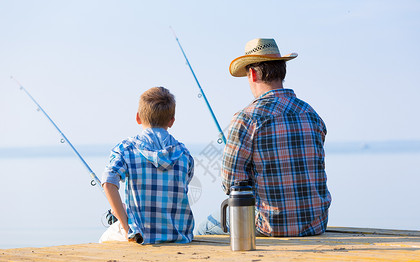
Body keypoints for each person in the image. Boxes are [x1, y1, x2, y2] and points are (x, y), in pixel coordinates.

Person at [196, 38, 331, 237]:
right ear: (282, 70)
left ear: (252, 73)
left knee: (203, 229)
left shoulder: (247, 118)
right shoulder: (311, 114)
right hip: (316, 224)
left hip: (269, 227)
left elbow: (230, 183)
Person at [99, 87, 195, 244]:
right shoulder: (184, 154)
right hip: (179, 237)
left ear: (138, 118)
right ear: (171, 121)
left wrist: (127, 227)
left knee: (104, 239)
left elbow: (109, 183)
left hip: (141, 237)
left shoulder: (126, 149)